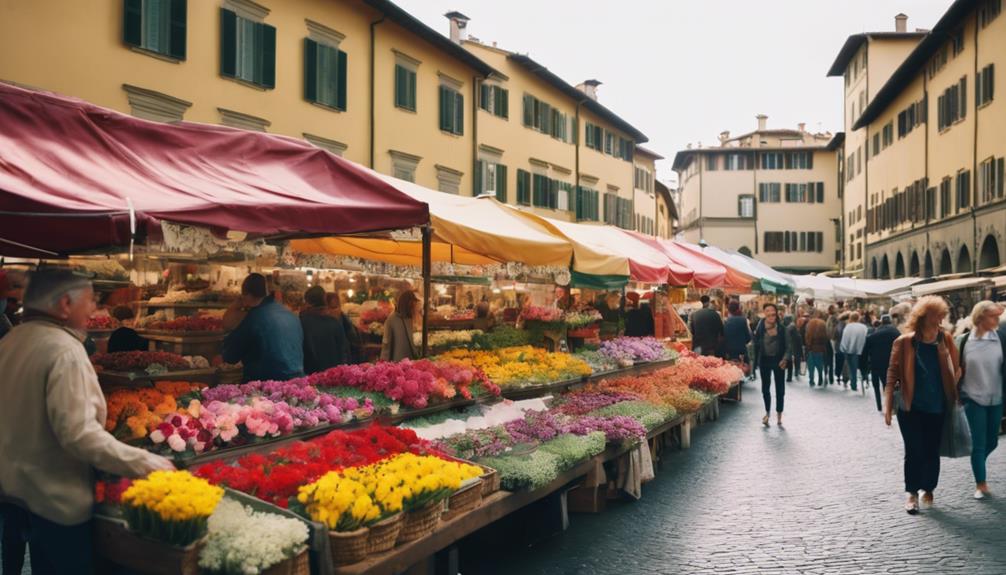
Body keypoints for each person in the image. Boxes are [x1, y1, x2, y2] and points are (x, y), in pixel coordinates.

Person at [0, 269, 173, 574]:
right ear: (65, 304)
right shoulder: (64, 350)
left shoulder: (13, 339)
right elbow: (79, 435)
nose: (94, 308)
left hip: (19, 493)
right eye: (90, 300)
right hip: (57, 503)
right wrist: (146, 462)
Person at [884, 296, 960, 514]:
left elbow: (957, 368)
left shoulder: (945, 339)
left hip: (937, 406)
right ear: (923, 317)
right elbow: (892, 374)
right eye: (936, 315)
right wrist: (888, 405)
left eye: (941, 315)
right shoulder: (905, 342)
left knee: (931, 450)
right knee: (913, 449)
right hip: (911, 407)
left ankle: (929, 487)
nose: (940, 319)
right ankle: (911, 493)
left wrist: (954, 389)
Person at [956, 301, 1006, 500]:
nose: (997, 320)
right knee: (978, 443)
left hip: (997, 399)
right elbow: (952, 367)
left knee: (992, 441)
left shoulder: (1001, 338)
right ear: (980, 317)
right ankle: (981, 484)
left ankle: (978, 461)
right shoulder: (963, 341)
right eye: (993, 316)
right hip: (972, 398)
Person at [222, 273, 305, 382]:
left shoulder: (254, 317)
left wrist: (234, 307)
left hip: (267, 385)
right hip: (298, 381)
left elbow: (230, 356)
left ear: (246, 295)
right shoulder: (291, 315)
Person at [753, 303, 790, 427]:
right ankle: (767, 413)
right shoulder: (760, 327)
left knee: (780, 389)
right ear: (764, 313)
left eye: (772, 311)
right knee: (765, 388)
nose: (770, 313)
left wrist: (785, 359)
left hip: (779, 361)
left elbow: (788, 347)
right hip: (765, 361)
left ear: (776, 313)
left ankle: (779, 414)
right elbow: (755, 345)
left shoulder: (782, 328)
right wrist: (753, 365)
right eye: (767, 310)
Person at [300, 286, 350, 374]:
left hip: (312, 376)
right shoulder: (335, 323)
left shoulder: (303, 323)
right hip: (333, 376)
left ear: (308, 304)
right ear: (325, 301)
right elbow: (343, 352)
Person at [863, 315, 900, 411]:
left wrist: (864, 366)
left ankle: (879, 405)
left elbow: (865, 351)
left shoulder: (874, 334)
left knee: (876, 385)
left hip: (876, 363)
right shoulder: (896, 332)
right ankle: (890, 404)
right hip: (891, 362)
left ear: (881, 322)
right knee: (889, 384)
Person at [381, 290, 419, 362]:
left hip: (411, 362)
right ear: (406, 305)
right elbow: (386, 346)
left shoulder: (408, 318)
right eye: (412, 306)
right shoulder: (391, 320)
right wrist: (384, 363)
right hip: (398, 363)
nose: (413, 309)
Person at [327, 292, 362, 363]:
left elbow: (354, 344)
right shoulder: (327, 325)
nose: (330, 311)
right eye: (328, 308)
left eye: (334, 308)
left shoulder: (346, 323)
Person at [840, 311, 868, 392]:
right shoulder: (863, 327)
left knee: (851, 367)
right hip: (860, 350)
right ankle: (860, 381)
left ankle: (853, 383)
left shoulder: (848, 327)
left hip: (849, 350)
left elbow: (845, 339)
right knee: (858, 367)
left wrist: (843, 348)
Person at [804, 311, 830, 387]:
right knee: (820, 365)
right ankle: (820, 377)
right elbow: (826, 337)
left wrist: (808, 346)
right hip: (820, 348)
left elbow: (807, 336)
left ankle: (811, 380)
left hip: (811, 348)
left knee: (811, 366)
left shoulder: (810, 324)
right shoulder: (823, 324)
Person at [723, 300, 752, 365]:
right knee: (742, 371)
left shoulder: (725, 321)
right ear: (738, 308)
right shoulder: (743, 320)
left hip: (729, 352)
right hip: (741, 352)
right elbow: (748, 338)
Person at [786, 315, 806, 383]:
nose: (801, 324)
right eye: (800, 322)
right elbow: (796, 338)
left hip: (793, 347)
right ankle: (794, 373)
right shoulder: (793, 327)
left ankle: (792, 375)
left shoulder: (792, 327)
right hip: (793, 347)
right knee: (793, 360)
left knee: (792, 361)